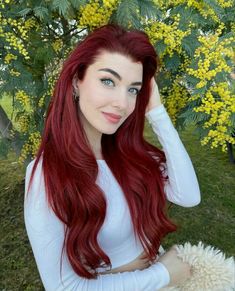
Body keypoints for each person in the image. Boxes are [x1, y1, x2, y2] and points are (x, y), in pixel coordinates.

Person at [24, 24, 201, 290]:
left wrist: (157, 111)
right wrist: (164, 274)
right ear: (76, 82)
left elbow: (188, 196)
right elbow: (63, 287)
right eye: (108, 81)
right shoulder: (47, 174)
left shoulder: (131, 157)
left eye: (134, 89)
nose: (122, 102)